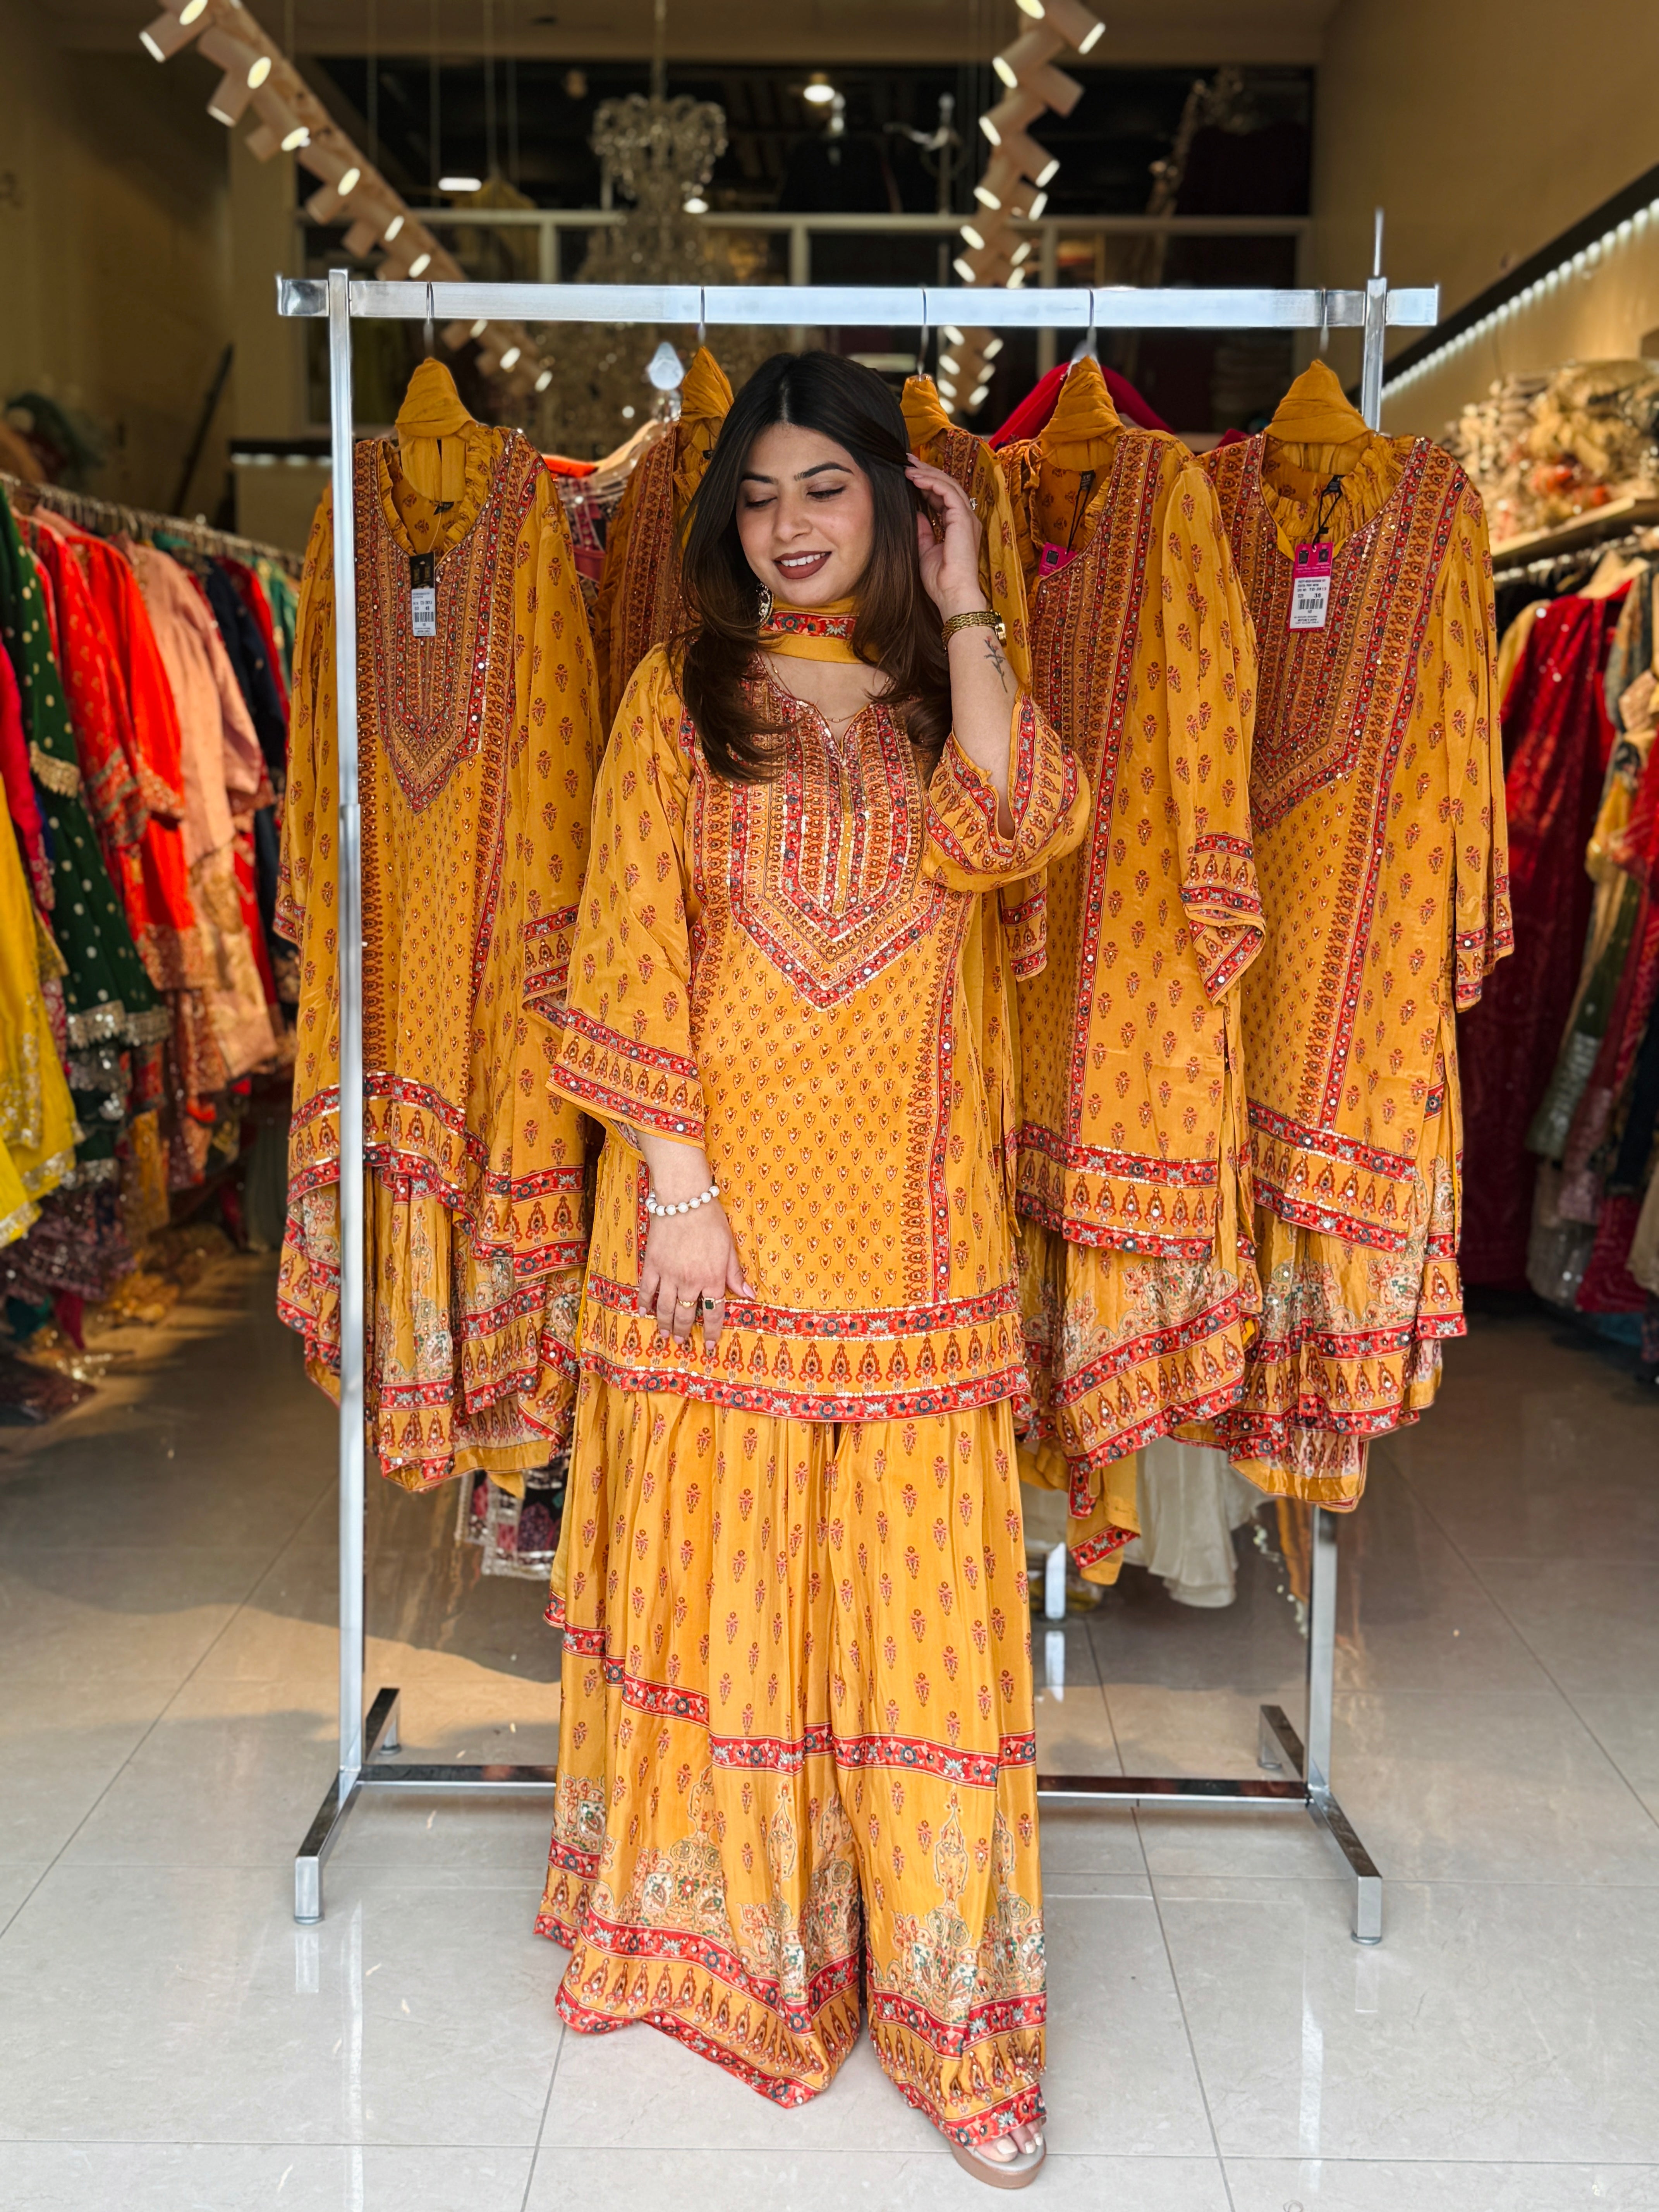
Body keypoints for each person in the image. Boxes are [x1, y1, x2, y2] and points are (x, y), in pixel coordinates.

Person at [535, 350, 1087, 2188]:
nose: (788, 527)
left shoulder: (941, 706)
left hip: (918, 1234)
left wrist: (969, 596)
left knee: (924, 1628)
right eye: (760, 496)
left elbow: (1027, 825)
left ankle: (954, 2014)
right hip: (726, 1226)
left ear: (894, 504)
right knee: (735, 1597)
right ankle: (737, 1949)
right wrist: (677, 1189)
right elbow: (631, 941)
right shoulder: (679, 695)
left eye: (826, 489)